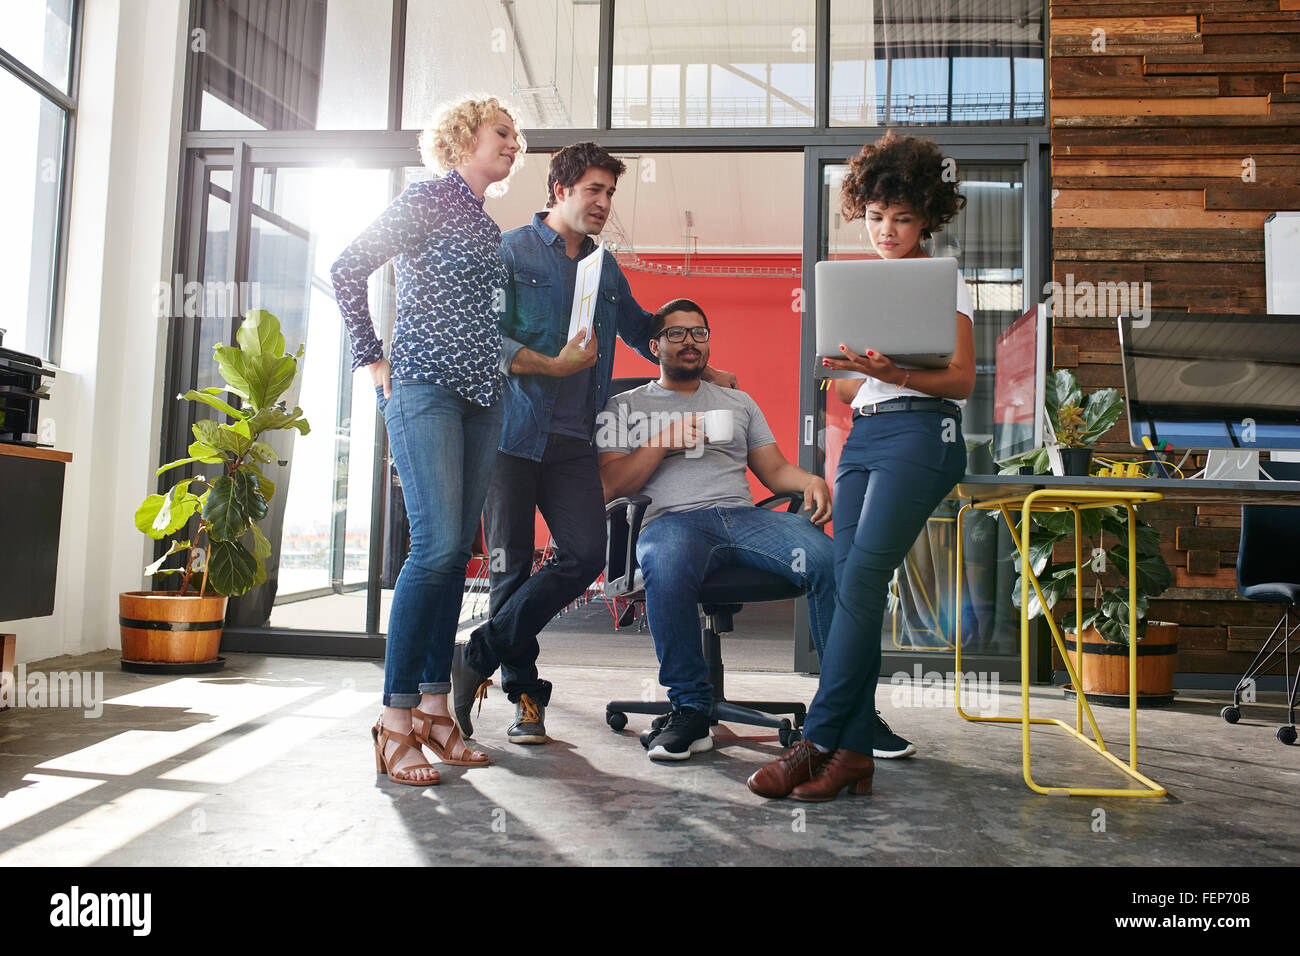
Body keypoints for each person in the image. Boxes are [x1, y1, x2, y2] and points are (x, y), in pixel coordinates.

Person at [451, 143, 737, 745]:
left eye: (610, 192)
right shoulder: (510, 250)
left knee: (582, 557)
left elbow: (639, 329)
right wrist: (551, 366)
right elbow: (487, 338)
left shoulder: (605, 267)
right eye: (593, 191)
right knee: (508, 569)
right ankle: (525, 698)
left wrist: (699, 365)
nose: (604, 203)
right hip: (510, 434)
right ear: (559, 190)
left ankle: (478, 651)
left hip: (576, 438)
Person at [748, 130, 974, 802]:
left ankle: (814, 740)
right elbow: (848, 392)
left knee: (865, 578)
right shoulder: (858, 285)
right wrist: (857, 371)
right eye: (876, 218)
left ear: (926, 218)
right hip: (867, 440)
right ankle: (853, 755)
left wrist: (896, 370)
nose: (887, 231)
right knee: (850, 585)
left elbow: (960, 380)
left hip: (923, 436)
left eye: (902, 219)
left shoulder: (945, 279)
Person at [330, 96, 525, 786]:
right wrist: (372, 357)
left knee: (452, 559)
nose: (514, 144)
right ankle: (394, 721)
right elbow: (347, 267)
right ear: (465, 136)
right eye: (504, 133)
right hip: (424, 390)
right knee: (436, 546)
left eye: (516, 137)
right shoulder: (429, 199)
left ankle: (439, 713)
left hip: (482, 399)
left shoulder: (483, 220)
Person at [597, 299, 837, 761]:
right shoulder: (622, 406)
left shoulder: (739, 402)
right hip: (671, 522)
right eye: (676, 333)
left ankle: (844, 711)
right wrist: (664, 441)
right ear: (654, 345)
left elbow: (774, 470)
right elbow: (611, 486)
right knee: (665, 562)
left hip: (742, 517)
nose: (690, 341)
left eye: (699, 333)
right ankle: (689, 708)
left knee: (827, 559)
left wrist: (808, 480)